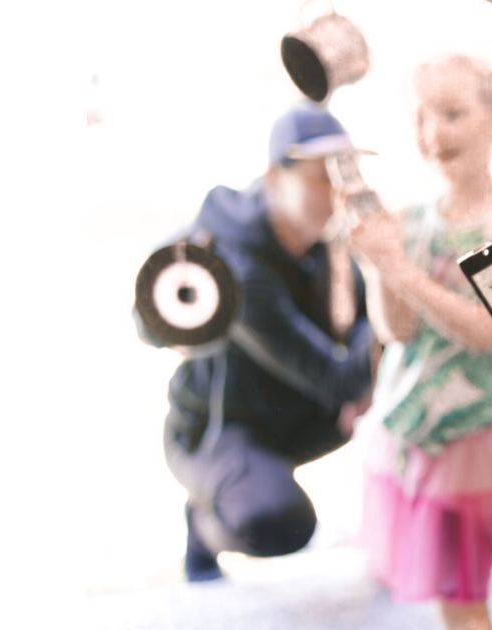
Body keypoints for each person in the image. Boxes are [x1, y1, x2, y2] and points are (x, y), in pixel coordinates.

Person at [348, 53, 492, 630]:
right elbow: (396, 330)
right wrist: (378, 263)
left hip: (472, 438)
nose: (433, 134)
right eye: (421, 118)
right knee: (452, 597)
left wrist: (400, 269)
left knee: (466, 597)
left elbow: (484, 330)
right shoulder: (413, 219)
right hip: (409, 428)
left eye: (452, 114)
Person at [135, 101, 379, 582]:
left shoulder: (327, 245)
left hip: (288, 415)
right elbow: (341, 377)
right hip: (213, 429)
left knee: (401, 392)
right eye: (321, 177)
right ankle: (205, 522)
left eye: (344, 175)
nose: (337, 192)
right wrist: (398, 293)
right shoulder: (236, 266)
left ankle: (252, 484)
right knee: (280, 522)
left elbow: (364, 332)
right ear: (273, 178)